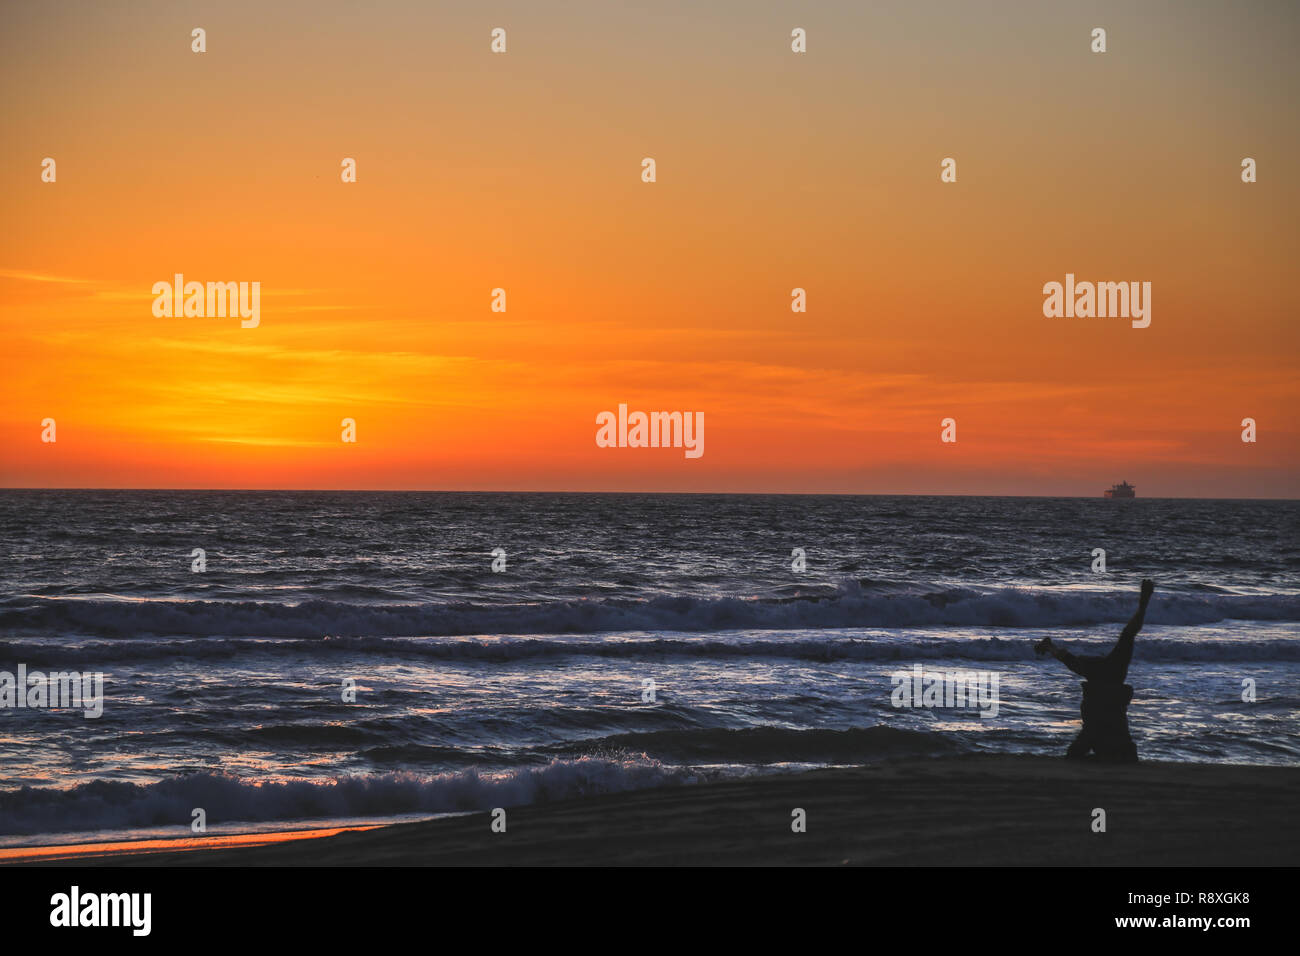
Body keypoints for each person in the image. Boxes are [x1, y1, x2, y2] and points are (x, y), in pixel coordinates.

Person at [1035, 579, 1153, 762]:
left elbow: (1068, 659)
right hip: (1115, 743)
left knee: (1076, 753)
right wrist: (1143, 603)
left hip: (1105, 740)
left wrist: (1144, 603)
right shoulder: (1113, 670)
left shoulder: (1104, 670)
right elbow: (1129, 633)